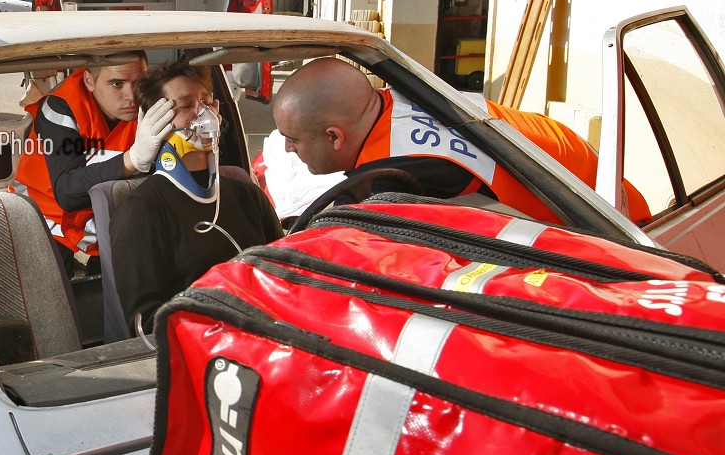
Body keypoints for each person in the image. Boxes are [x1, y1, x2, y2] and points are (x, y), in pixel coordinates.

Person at [271, 57, 649, 222]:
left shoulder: (393, 180)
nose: (287, 147)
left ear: (335, 137)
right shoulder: (405, 94)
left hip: (614, 235)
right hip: (611, 191)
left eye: (292, 139)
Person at [111, 61, 282, 331]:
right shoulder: (141, 210)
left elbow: (284, 272)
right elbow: (145, 323)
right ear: (156, 121)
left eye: (206, 101)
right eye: (186, 105)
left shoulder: (245, 192)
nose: (202, 113)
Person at [12, 57, 174, 262]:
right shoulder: (59, 108)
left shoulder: (153, 103)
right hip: (44, 221)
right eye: (117, 83)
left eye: (139, 81)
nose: (131, 95)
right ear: (89, 81)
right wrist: (132, 160)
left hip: (105, 226)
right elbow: (67, 192)